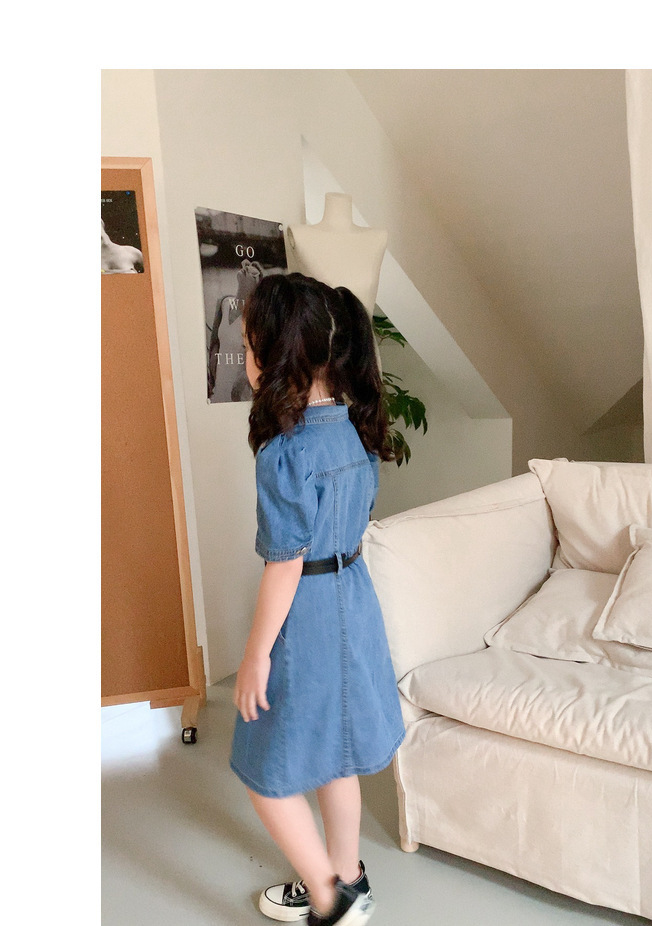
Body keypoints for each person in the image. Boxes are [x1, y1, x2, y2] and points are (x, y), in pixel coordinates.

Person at [230, 272, 405, 926]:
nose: (246, 359)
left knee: (265, 773)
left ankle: (329, 900)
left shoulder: (285, 453)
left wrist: (255, 654)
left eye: (249, 345)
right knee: (338, 754)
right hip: (353, 599)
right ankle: (349, 877)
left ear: (279, 353)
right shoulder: (355, 433)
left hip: (305, 616)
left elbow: (285, 565)